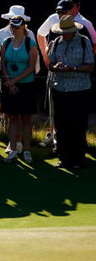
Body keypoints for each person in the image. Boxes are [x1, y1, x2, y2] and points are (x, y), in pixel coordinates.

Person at [47, 15, 94, 169]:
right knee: (61, 124)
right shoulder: (57, 42)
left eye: (67, 31)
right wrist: (56, 66)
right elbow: (50, 64)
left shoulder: (83, 41)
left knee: (78, 125)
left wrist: (73, 68)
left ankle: (78, 159)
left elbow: (90, 66)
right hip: (60, 88)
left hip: (79, 89)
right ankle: (64, 158)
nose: (64, 34)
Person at [0, 5, 37, 152]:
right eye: (13, 25)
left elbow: (32, 66)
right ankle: (12, 147)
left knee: (25, 118)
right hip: (7, 81)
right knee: (11, 117)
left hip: (26, 83)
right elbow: (0, 60)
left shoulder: (30, 39)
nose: (14, 28)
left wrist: (14, 81)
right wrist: (8, 81)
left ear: (24, 25)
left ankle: (26, 149)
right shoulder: (4, 38)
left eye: (17, 26)